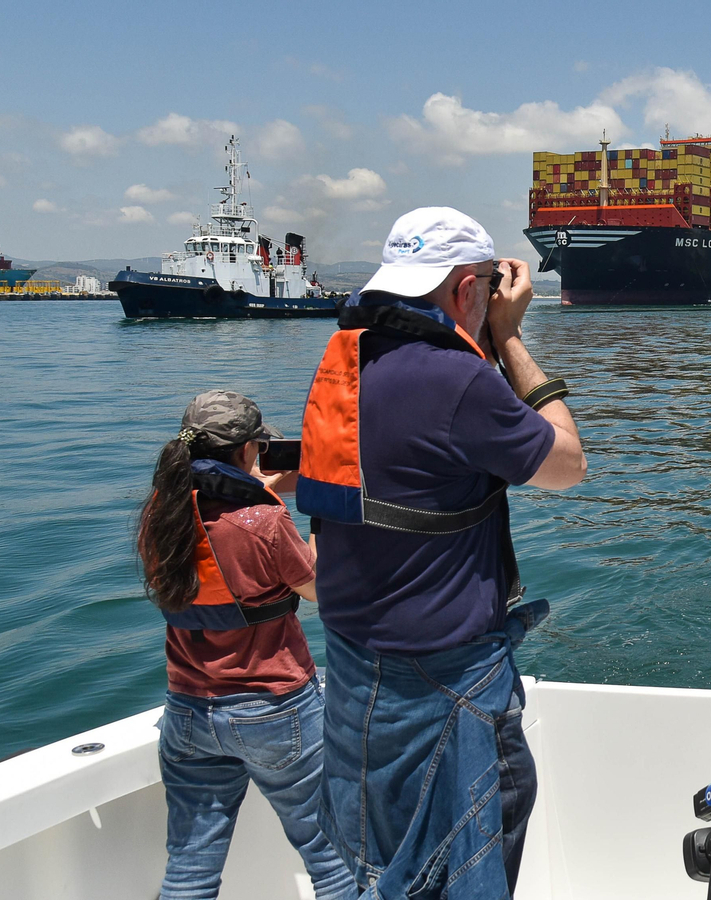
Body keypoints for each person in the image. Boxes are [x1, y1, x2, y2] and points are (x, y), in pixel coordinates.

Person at [297, 208, 586, 899]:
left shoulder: (348, 364)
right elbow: (568, 465)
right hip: (447, 684)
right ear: (466, 289)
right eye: (489, 284)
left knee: (383, 865)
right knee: (463, 866)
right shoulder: (459, 381)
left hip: (355, 675)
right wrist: (512, 342)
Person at [136, 390, 355, 900]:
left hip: (188, 712)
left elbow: (216, 532)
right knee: (331, 857)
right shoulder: (262, 521)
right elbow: (319, 589)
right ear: (248, 449)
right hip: (274, 710)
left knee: (190, 869)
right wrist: (316, 511)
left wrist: (256, 490)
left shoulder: (159, 517)